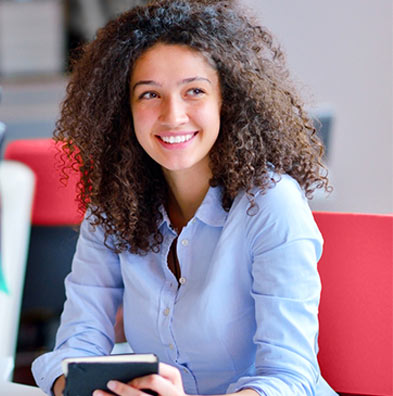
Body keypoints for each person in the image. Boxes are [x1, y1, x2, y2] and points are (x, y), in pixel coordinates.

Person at [31, 1, 336, 395]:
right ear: (124, 109)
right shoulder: (113, 205)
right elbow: (76, 346)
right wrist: (75, 387)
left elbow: (290, 378)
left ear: (228, 99)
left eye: (194, 91)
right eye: (149, 95)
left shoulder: (272, 204)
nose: (173, 115)